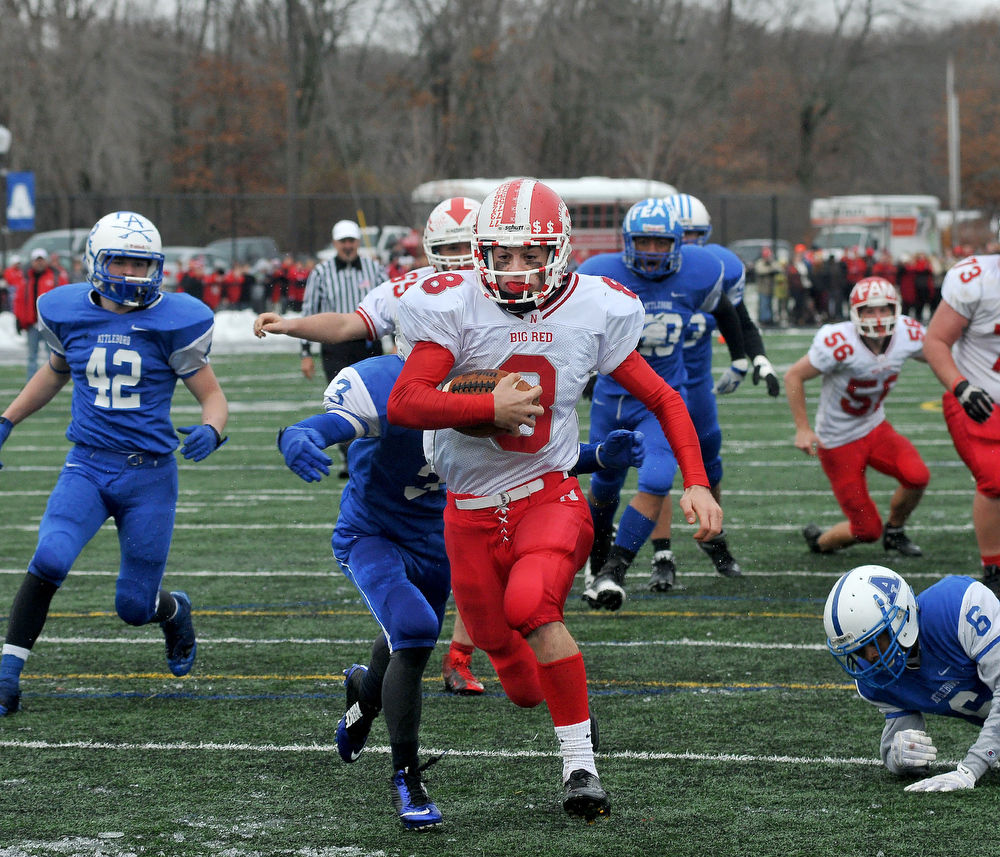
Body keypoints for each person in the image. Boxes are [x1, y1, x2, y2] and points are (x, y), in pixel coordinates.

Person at [387, 178, 722, 821]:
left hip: (548, 494)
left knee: (532, 606)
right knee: (508, 666)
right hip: (468, 509)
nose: (514, 270)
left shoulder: (596, 306)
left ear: (558, 251)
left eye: (529, 254)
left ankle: (581, 768)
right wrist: (489, 405)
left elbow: (663, 399)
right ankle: (560, 705)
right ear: (481, 253)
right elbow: (406, 401)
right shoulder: (453, 304)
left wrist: (698, 481)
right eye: (501, 254)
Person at [277, 346, 644, 830]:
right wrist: (297, 436)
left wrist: (597, 455)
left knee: (405, 635)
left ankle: (364, 695)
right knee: (413, 629)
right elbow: (327, 426)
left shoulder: (498, 374)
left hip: (443, 537)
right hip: (374, 534)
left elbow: (527, 462)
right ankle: (406, 777)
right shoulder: (388, 378)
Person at [255, 196, 490, 694]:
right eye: (446, 246)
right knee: (446, 539)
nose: (458, 257)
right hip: (428, 407)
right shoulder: (408, 287)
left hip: (489, 410)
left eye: (465, 245)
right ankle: (430, 658)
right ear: (429, 249)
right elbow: (347, 325)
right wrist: (291, 324)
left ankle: (461, 654)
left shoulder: (508, 289)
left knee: (485, 551)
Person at [0, 211, 229, 717]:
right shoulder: (67, 311)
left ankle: (172, 610)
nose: (131, 273)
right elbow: (56, 371)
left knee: (132, 608)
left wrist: (212, 428)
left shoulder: (175, 320)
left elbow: (212, 396)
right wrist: (8, 419)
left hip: (149, 476)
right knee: (51, 557)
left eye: (141, 263)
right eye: (121, 260)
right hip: (86, 465)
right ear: (95, 261)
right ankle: (8, 670)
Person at [578, 197, 745, 607]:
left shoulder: (700, 272)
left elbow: (725, 311)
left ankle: (614, 569)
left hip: (662, 399)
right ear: (627, 241)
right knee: (604, 487)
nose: (652, 251)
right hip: (612, 398)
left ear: (679, 243)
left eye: (661, 242)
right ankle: (597, 553)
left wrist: (743, 355)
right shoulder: (599, 275)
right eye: (644, 242)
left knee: (655, 479)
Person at [658, 191, 782, 587]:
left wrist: (753, 359)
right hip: (653, 386)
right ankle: (661, 555)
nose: (689, 244)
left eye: (695, 235)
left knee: (709, 464)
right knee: (656, 470)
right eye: (682, 235)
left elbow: (740, 319)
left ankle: (714, 538)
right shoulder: (645, 274)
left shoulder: (713, 270)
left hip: (697, 386)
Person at [784, 277, 928, 556]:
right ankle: (821, 542)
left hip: (875, 427)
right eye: (869, 311)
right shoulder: (839, 342)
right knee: (866, 530)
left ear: (895, 309)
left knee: (917, 476)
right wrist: (802, 428)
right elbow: (794, 375)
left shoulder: (908, 334)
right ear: (855, 314)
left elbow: (939, 352)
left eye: (883, 309)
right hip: (838, 441)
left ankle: (895, 531)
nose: (877, 318)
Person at [823, 565, 1000, 792]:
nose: (870, 657)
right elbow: (902, 740)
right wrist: (900, 756)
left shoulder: (955, 606)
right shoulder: (874, 679)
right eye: (858, 651)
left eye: (874, 641)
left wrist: (972, 768)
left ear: (900, 617)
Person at [922, 251, 1000, 595]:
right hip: (977, 399)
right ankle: (994, 567)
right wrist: (961, 386)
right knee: (995, 478)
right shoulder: (977, 280)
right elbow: (935, 340)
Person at [300, 219, 386, 478]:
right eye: (343, 241)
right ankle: (350, 458)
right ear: (335, 243)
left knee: (375, 401)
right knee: (341, 401)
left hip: (369, 342)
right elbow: (309, 312)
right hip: (334, 345)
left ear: (358, 242)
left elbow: (390, 306)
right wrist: (305, 353)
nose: (348, 246)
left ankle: (375, 456)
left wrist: (395, 342)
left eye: (351, 241)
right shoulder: (321, 273)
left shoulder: (374, 269)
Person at [13, 248, 62, 381]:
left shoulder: (55, 277)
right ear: (32, 262)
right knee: (31, 356)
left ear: (46, 261)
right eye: (37, 260)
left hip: (49, 325)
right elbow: (20, 301)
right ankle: (31, 382)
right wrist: (19, 319)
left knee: (53, 356)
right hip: (32, 324)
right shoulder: (26, 278)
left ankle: (52, 382)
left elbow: (62, 301)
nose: (39, 263)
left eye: (41, 260)